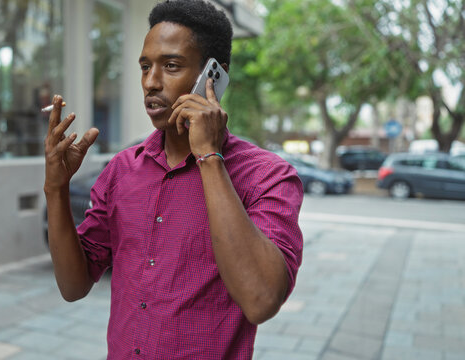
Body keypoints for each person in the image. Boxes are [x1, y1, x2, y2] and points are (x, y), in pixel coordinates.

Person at [43, 0, 303, 357]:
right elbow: (73, 286)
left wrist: (209, 157)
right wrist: (56, 189)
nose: (150, 83)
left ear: (214, 76)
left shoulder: (267, 176)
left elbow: (261, 300)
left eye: (171, 65)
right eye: (145, 67)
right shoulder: (121, 170)